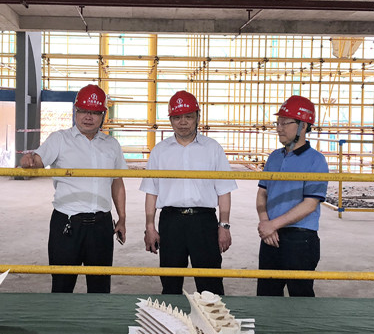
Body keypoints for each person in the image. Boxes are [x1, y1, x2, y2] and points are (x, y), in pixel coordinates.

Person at [20, 84, 127, 293]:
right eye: (83, 111)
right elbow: (38, 160)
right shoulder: (59, 139)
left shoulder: (111, 144)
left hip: (101, 225)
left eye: (94, 112)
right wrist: (29, 160)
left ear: (103, 115)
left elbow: (117, 182)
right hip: (67, 225)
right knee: (62, 286)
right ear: (75, 111)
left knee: (100, 289)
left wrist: (122, 218)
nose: (88, 117)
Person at [140, 90, 237, 295]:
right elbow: (151, 191)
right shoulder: (160, 151)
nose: (182, 122)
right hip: (171, 222)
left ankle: (212, 317)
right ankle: (171, 316)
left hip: (204, 222)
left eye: (188, 116)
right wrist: (150, 226)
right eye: (177, 117)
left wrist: (224, 225)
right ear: (170, 120)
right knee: (170, 283)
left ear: (197, 117)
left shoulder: (212, 149)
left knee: (210, 283)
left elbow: (224, 190)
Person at [256, 95, 328, 297]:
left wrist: (273, 224)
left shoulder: (316, 160)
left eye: (285, 123)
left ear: (303, 126)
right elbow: (262, 193)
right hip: (270, 236)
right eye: (277, 123)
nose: (279, 128)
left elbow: (310, 204)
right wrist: (265, 223)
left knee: (300, 298)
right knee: (267, 297)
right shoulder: (274, 157)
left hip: (300, 239)